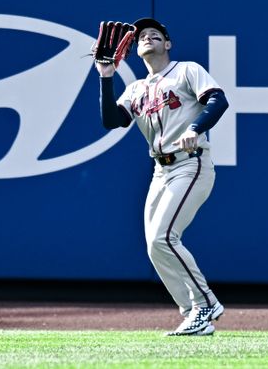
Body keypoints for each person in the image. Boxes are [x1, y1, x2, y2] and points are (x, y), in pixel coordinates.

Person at [95, 17, 230, 336]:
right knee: (155, 246)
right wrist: (106, 77)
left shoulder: (186, 70)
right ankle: (195, 313)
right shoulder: (135, 88)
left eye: (156, 35)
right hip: (160, 169)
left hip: (190, 163)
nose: (148, 37)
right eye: (142, 35)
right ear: (133, 48)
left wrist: (196, 128)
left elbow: (218, 100)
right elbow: (111, 121)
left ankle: (205, 303)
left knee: (163, 237)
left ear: (167, 44)